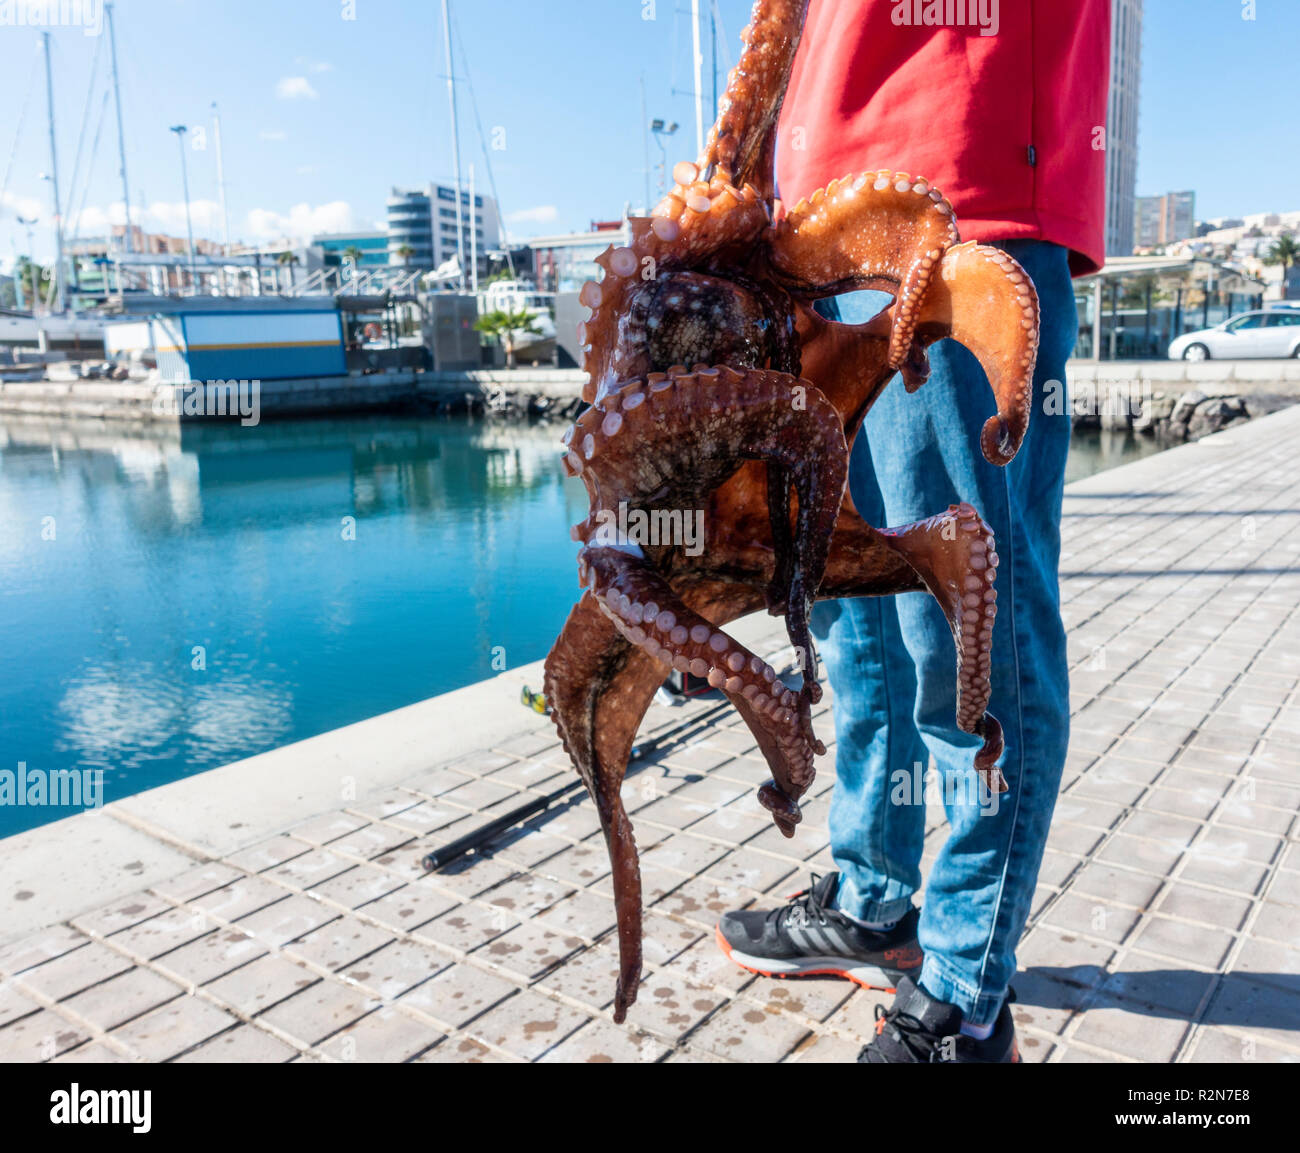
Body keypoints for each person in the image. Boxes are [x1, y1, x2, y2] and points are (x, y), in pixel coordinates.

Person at [716, 0, 1110, 1063]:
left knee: (966, 627)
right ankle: (873, 893)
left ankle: (960, 1001)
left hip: (960, 187)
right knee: (852, 607)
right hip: (812, 232)